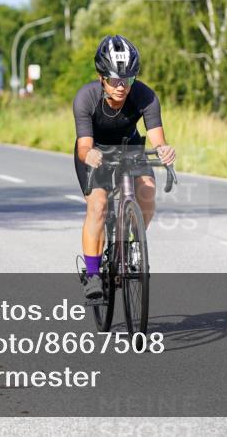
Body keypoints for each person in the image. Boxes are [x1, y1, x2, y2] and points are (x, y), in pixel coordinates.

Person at [73, 35, 175, 299]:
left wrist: (164, 150)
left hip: (129, 147)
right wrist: (90, 155)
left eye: (128, 79)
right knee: (98, 206)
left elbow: (157, 138)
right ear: (101, 77)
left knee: (148, 190)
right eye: (116, 80)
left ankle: (131, 243)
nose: (122, 86)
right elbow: (83, 146)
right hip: (94, 151)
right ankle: (93, 274)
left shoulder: (145, 95)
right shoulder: (86, 98)